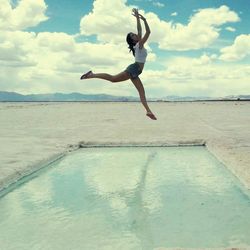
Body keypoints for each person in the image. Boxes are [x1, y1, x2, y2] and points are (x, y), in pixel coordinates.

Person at [80, 8, 157, 120]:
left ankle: (148, 111)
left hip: (136, 71)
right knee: (113, 79)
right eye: (132, 35)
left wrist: (137, 18)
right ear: (133, 40)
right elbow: (148, 32)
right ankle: (92, 75)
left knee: (141, 92)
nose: (135, 34)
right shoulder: (139, 45)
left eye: (134, 34)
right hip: (134, 69)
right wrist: (145, 20)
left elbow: (139, 30)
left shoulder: (138, 45)